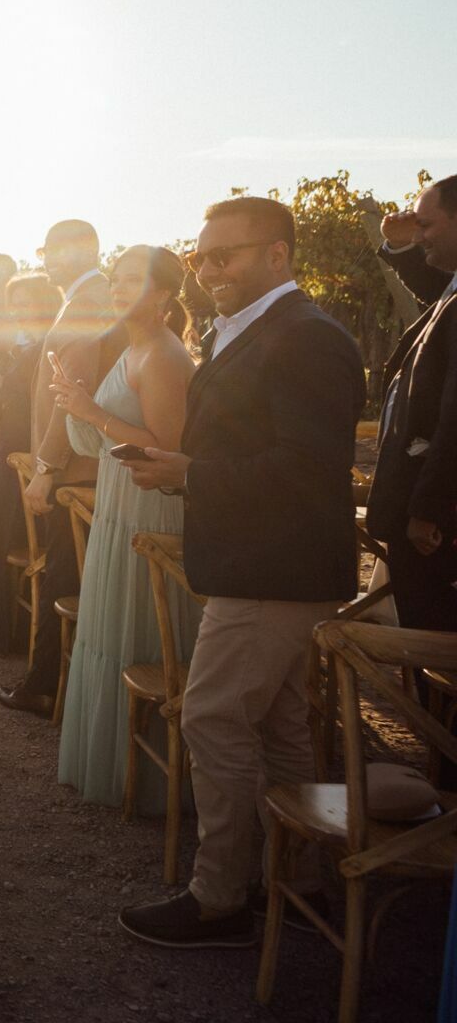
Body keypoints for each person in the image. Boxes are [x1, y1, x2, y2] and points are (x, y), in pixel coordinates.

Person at [118, 196, 363, 947]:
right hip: (263, 562)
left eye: (225, 255)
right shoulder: (252, 332)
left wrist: (191, 475)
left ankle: (222, 893)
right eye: (201, 256)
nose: (208, 270)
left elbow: (305, 470)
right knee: (288, 730)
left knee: (212, 716)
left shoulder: (308, 338)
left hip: (274, 569)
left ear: (279, 255)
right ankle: (313, 876)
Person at [51, 246, 199, 812]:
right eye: (114, 278)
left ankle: (155, 784)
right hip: (121, 501)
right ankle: (118, 769)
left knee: (141, 632)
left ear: (162, 293)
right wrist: (75, 405)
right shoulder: (134, 346)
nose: (116, 287)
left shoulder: (163, 354)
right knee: (111, 631)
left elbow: (169, 451)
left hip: (149, 509)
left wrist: (90, 412)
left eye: (131, 279)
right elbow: (101, 440)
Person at [0, 219, 121, 718]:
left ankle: (45, 685)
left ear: (89, 248)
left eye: (58, 249)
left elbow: (73, 395)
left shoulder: (89, 302)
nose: (47, 257)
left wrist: (46, 467)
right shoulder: (82, 298)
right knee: (62, 574)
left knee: (61, 577)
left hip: (77, 467)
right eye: (45, 249)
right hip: (78, 462)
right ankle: (53, 681)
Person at [370, 176, 457, 631]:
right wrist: (401, 244)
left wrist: (427, 509)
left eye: (427, 224)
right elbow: (436, 295)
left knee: (435, 646)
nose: (418, 233)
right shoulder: (453, 288)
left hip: (436, 527)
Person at [0, 273, 63, 651]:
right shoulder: (31, 343)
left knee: (12, 530)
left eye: (26, 302)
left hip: (25, 441)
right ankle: (1, 625)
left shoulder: (50, 341)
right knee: (1, 526)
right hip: (11, 434)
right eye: (15, 304)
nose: (20, 311)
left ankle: (13, 628)